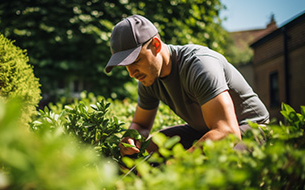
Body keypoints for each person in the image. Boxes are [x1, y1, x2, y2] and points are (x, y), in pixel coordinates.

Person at [104, 15, 269, 156]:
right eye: (126, 65)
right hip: (204, 130)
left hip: (249, 127)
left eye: (136, 60)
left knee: (209, 166)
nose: (132, 73)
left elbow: (227, 132)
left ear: (156, 45)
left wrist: (179, 162)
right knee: (150, 149)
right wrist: (131, 137)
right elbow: (141, 125)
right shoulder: (148, 78)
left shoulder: (199, 66)